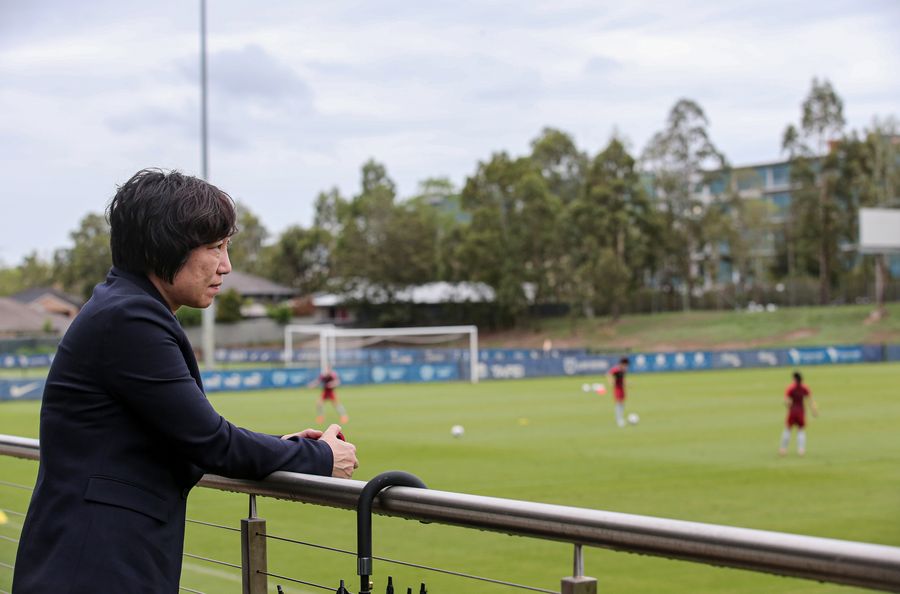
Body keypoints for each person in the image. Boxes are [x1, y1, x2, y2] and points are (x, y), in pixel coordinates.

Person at [13, 169, 358, 593]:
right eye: (215, 247)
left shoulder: (125, 307)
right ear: (165, 245)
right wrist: (319, 458)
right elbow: (211, 442)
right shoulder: (130, 318)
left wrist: (285, 448)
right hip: (94, 567)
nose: (226, 266)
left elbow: (181, 437)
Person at [779, 370, 818, 456]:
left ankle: (783, 449)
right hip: (801, 411)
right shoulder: (804, 388)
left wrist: (787, 405)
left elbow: (787, 401)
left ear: (794, 379)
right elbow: (810, 400)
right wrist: (814, 410)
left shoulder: (791, 388)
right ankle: (801, 450)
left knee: (788, 429)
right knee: (801, 430)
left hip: (792, 411)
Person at [607, 357, 630, 427]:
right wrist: (611, 382)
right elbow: (609, 374)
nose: (626, 366)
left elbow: (622, 379)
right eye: (625, 365)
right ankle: (618, 419)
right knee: (618, 403)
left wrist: (626, 383)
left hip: (622, 388)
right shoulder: (617, 369)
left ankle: (620, 418)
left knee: (622, 403)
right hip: (617, 388)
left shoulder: (623, 370)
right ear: (621, 364)